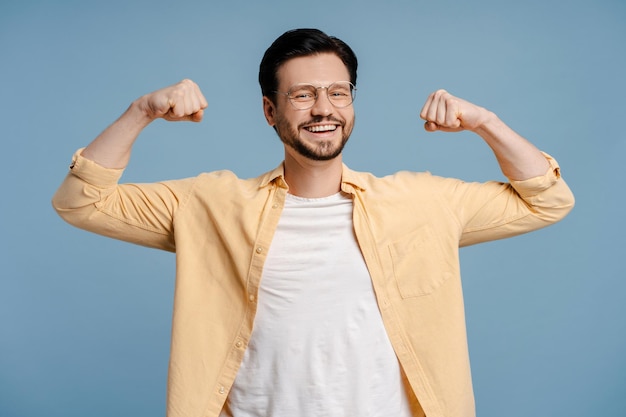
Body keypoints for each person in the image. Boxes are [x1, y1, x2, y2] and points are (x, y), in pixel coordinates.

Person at [52, 28, 574, 417]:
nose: (324, 109)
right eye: (302, 95)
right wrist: (140, 110)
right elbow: (81, 201)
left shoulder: (422, 202)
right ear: (269, 110)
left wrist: (486, 122)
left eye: (338, 92)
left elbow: (547, 201)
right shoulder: (209, 204)